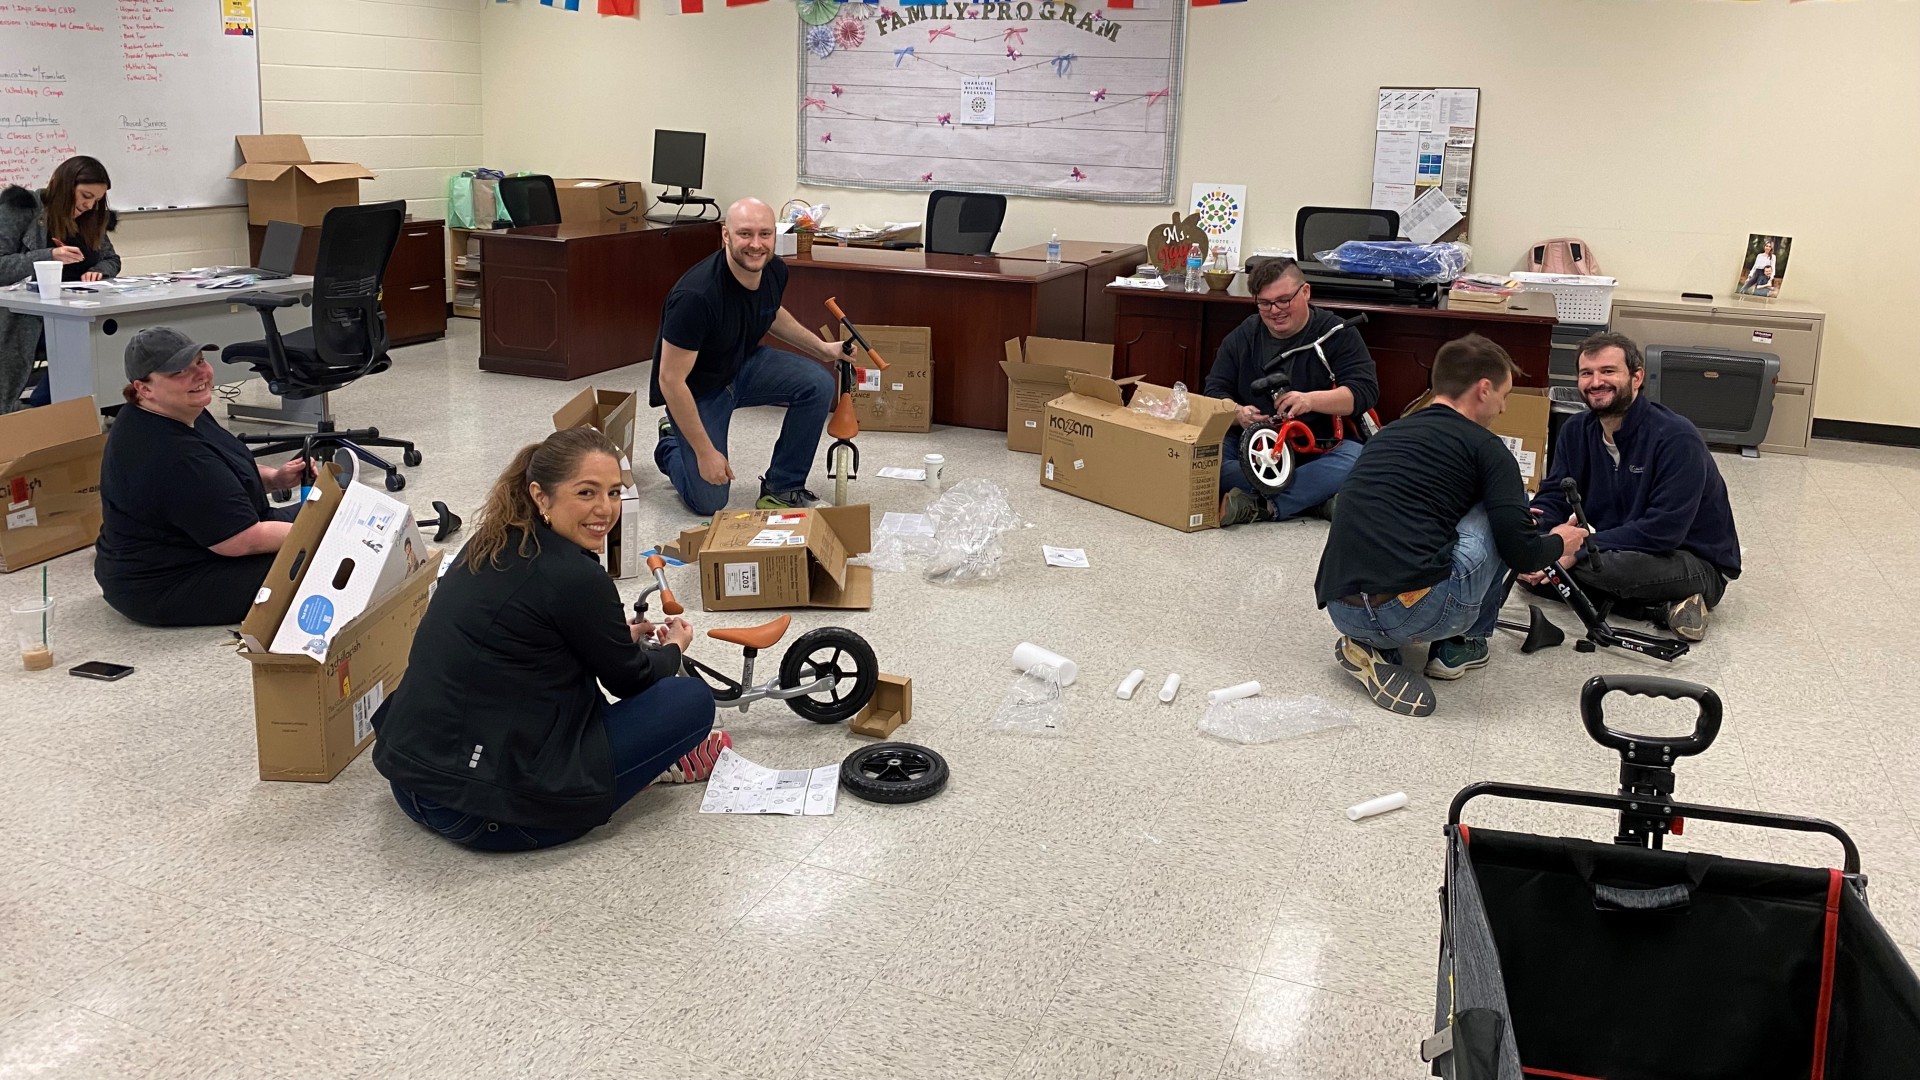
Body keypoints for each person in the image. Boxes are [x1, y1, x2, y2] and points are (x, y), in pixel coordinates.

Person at [372, 428, 726, 851]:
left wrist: (611, 637)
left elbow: (523, 640)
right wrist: (672, 649)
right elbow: (631, 681)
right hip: (492, 818)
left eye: (614, 493)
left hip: (410, 783)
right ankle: (646, 768)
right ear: (541, 496)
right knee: (691, 700)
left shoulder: (487, 542)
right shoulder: (578, 577)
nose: (605, 509)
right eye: (586, 493)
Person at [1314, 334, 1586, 716]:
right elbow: (1521, 553)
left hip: (1342, 609)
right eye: (1504, 396)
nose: (1504, 408)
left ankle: (1374, 646)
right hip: (1414, 612)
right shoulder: (1489, 449)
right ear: (1484, 389)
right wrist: (1562, 540)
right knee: (1510, 514)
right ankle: (1463, 645)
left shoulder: (1386, 434)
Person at [1522, 332, 1739, 642]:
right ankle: (1661, 611)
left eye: (1608, 371)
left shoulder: (1677, 438)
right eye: (1587, 373)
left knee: (1602, 568)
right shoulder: (1574, 430)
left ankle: (1672, 597)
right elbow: (1555, 495)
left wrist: (1575, 548)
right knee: (1528, 563)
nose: (1596, 382)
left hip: (1687, 559)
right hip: (1615, 542)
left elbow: (1663, 531)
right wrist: (1535, 529)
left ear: (1637, 377)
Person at [94, 327, 311, 627]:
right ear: (144, 388)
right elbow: (241, 542)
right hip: (168, 582)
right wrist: (321, 536)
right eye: (179, 371)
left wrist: (275, 478)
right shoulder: (168, 453)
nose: (201, 374)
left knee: (335, 507)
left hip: (207, 541)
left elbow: (221, 471)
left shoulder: (181, 410)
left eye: (198, 361)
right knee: (323, 561)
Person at [651, 196, 843, 514]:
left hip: (743, 366)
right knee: (709, 501)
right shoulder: (696, 297)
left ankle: (782, 487)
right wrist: (703, 451)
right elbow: (670, 380)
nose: (756, 245)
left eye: (764, 234)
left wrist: (822, 349)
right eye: (745, 234)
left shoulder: (774, 270)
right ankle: (671, 444)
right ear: (726, 235)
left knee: (817, 384)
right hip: (699, 388)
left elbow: (771, 312)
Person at [1205, 256, 1379, 526]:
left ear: (1306, 292)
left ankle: (1264, 506)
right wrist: (1237, 413)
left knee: (1355, 460)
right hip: (1254, 448)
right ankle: (1314, 498)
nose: (1275, 311)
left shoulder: (1337, 333)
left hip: (1320, 449)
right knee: (1207, 464)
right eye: (1264, 303)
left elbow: (1364, 391)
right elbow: (1214, 389)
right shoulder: (1244, 335)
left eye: (1284, 300)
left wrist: (1310, 401)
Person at [0, 155, 119, 411]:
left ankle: (63, 406)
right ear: (64, 185)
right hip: (26, 317)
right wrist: (48, 256)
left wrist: (99, 269)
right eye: (85, 196)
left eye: (96, 200)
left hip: (77, 309)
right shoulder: (23, 208)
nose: (89, 205)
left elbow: (112, 259)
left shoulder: (91, 218)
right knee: (85, 342)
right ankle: (49, 408)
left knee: (112, 334)